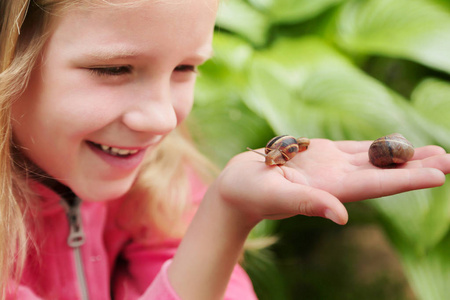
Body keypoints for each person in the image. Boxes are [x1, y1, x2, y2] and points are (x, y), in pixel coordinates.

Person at [1, 0, 450, 299]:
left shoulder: (159, 176)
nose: (163, 118)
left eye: (185, 67)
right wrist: (222, 220)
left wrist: (228, 209)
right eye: (114, 69)